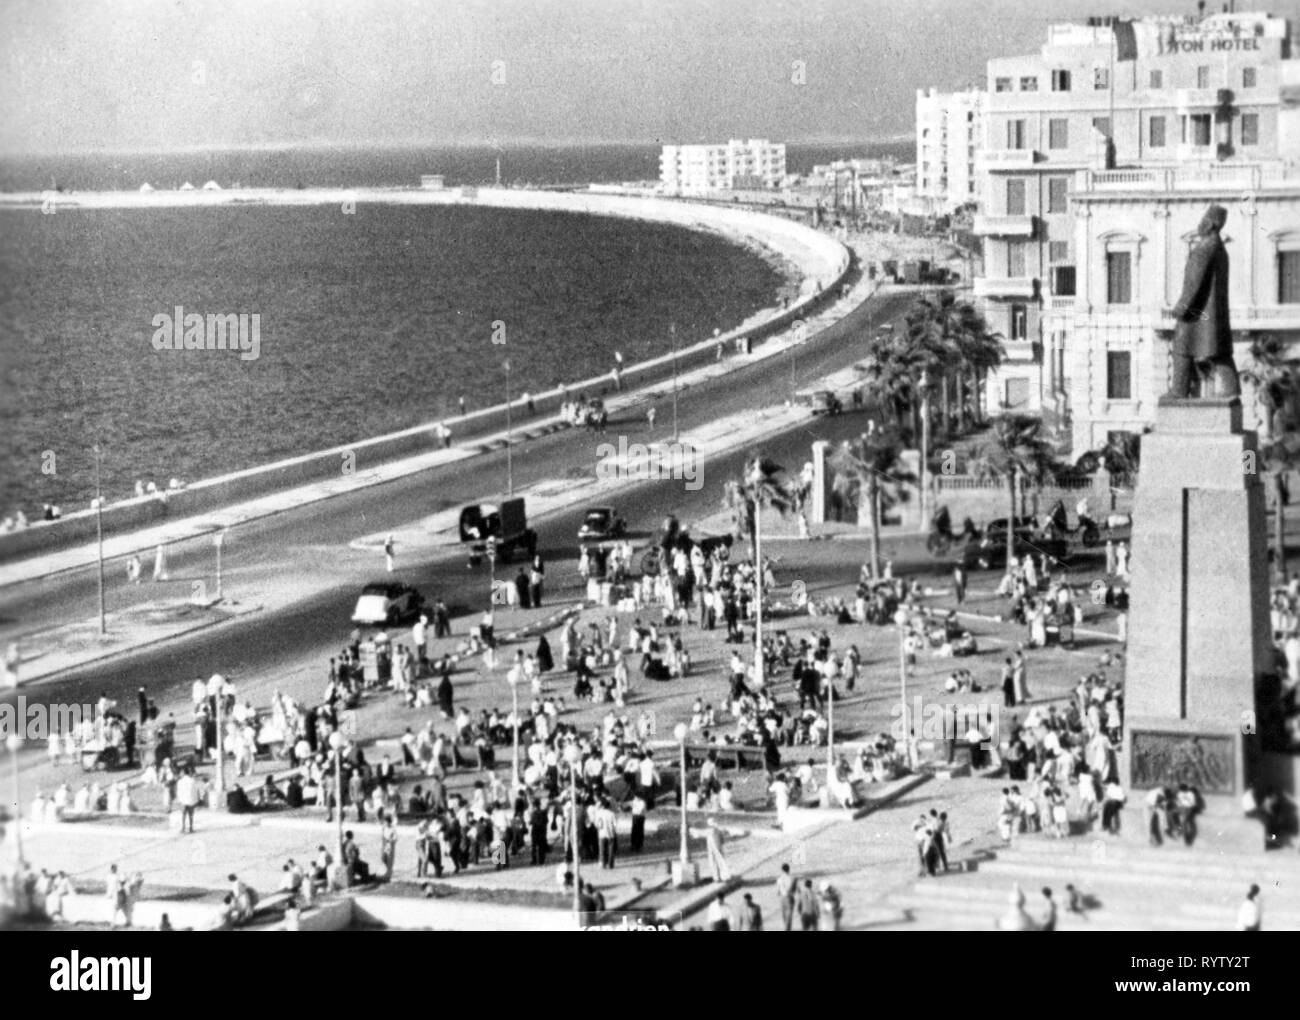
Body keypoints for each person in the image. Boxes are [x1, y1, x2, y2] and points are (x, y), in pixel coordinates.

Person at [775, 863, 796, 931]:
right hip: (789, 897)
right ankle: (787, 929)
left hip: (782, 898)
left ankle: (786, 928)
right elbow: (794, 890)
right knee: (789, 916)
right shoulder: (793, 879)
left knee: (784, 915)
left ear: (782, 870)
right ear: (788, 869)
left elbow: (777, 892)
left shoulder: (779, 879)